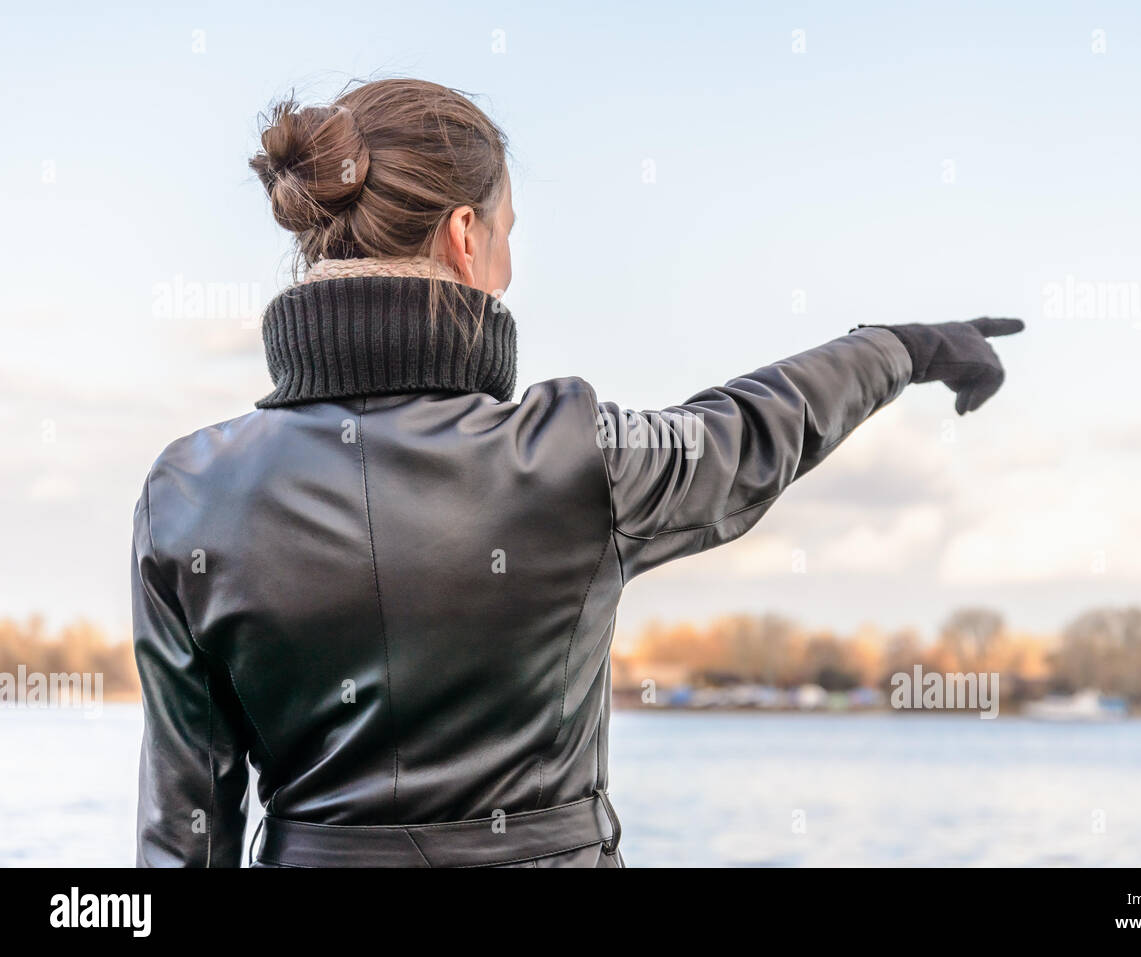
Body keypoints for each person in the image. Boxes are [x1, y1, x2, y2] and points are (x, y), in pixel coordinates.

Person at [131, 77, 1023, 868]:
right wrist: (902, 347)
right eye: (510, 231)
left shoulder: (188, 491)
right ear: (465, 236)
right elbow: (755, 428)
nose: (511, 267)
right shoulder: (576, 456)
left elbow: (186, 828)